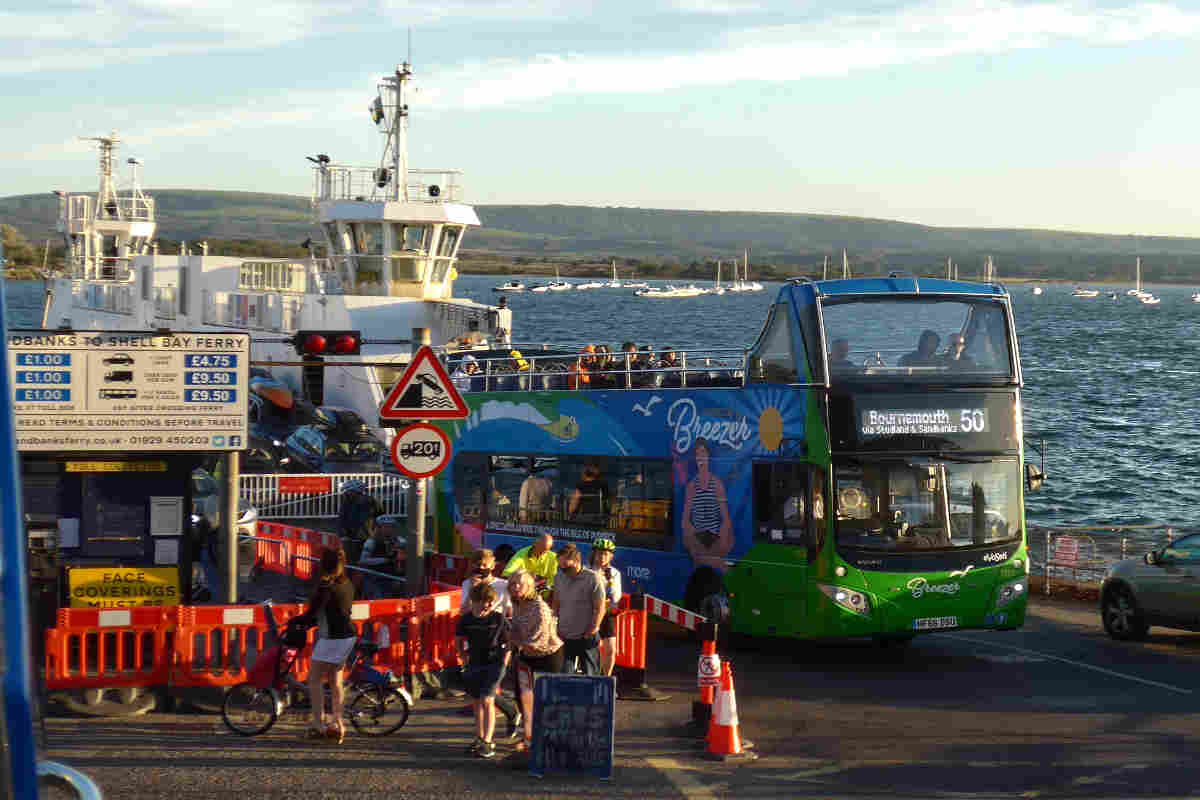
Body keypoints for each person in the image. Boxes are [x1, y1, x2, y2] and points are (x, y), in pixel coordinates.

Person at [292, 548, 356, 744]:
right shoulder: (347, 583)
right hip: (348, 636)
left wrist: (298, 621)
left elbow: (313, 612)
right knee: (336, 681)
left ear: (322, 565)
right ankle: (338, 723)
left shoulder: (325, 587)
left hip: (331, 639)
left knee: (315, 681)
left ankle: (318, 724)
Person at [458, 550, 522, 740]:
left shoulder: (502, 585)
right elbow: (463, 610)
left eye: (485, 565)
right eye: (478, 565)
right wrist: (474, 593)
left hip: (497, 637)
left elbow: (510, 610)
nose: (481, 568)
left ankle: (487, 739)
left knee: (487, 694)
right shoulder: (468, 584)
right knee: (485, 693)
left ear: (493, 565)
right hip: (476, 639)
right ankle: (511, 711)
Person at [506, 570, 565, 753]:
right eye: (513, 583)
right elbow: (514, 630)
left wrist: (512, 641)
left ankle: (549, 741)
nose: (516, 587)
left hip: (548, 657)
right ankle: (529, 739)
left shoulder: (539, 607)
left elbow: (538, 642)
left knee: (545, 702)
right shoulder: (517, 603)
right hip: (526, 655)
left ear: (530, 586)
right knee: (523, 698)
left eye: (520, 584)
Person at [454, 583, 512, 759]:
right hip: (475, 663)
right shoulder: (465, 619)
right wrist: (463, 657)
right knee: (477, 702)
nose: (487, 605)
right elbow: (458, 640)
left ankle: (488, 741)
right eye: (483, 602)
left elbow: (509, 642)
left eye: (490, 602)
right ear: (473, 601)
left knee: (488, 700)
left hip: (495, 664)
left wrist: (505, 662)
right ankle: (479, 738)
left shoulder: (498, 619)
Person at [680, 438, 734, 572]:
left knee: (704, 553)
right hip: (698, 538)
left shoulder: (717, 484)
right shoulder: (691, 487)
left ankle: (708, 560)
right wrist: (692, 535)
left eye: (703, 452)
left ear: (708, 456)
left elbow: (726, 519)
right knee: (694, 546)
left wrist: (721, 539)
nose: (700, 456)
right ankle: (719, 564)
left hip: (714, 538)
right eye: (697, 453)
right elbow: (685, 520)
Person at [552, 544, 606, 676]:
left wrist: (593, 629)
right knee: (563, 675)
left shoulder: (593, 578)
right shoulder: (559, 577)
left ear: (577, 562)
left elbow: (600, 607)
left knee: (591, 675)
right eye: (560, 567)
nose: (563, 570)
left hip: (586, 635)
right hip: (564, 634)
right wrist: (554, 625)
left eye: (566, 567)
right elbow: (556, 602)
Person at [589, 538, 622, 678]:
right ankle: (589, 677)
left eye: (606, 554)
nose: (602, 557)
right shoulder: (587, 570)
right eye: (599, 553)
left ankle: (606, 679)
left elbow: (615, 597)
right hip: (589, 614)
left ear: (611, 556)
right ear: (594, 554)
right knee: (591, 649)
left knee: (611, 649)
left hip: (606, 614)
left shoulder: (614, 573)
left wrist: (610, 581)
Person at [501, 533, 558, 599]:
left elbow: (555, 580)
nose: (542, 553)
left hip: (544, 596)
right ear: (534, 544)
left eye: (546, 550)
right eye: (540, 549)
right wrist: (525, 578)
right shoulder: (521, 554)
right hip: (523, 594)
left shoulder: (554, 557)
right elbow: (507, 573)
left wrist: (544, 585)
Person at [337, 479, 381, 551]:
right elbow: (342, 519)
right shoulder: (347, 502)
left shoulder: (370, 502)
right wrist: (343, 534)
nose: (345, 493)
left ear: (356, 491)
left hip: (366, 537)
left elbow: (379, 517)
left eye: (348, 491)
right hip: (351, 537)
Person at [357, 524, 395, 599]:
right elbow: (363, 560)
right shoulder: (371, 542)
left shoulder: (394, 540)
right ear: (379, 528)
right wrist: (384, 560)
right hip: (374, 579)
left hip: (389, 579)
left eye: (391, 527)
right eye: (386, 527)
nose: (389, 529)